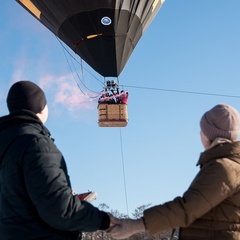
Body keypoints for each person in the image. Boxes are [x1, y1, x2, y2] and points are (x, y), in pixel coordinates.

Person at [107, 104, 240, 240]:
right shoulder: (226, 166)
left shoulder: (224, 168)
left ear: (207, 135)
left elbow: (187, 209)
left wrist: (136, 225)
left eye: (202, 129)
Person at [0, 81, 111, 240]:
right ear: (41, 108)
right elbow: (60, 209)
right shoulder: (36, 145)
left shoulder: (7, 147)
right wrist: (104, 220)